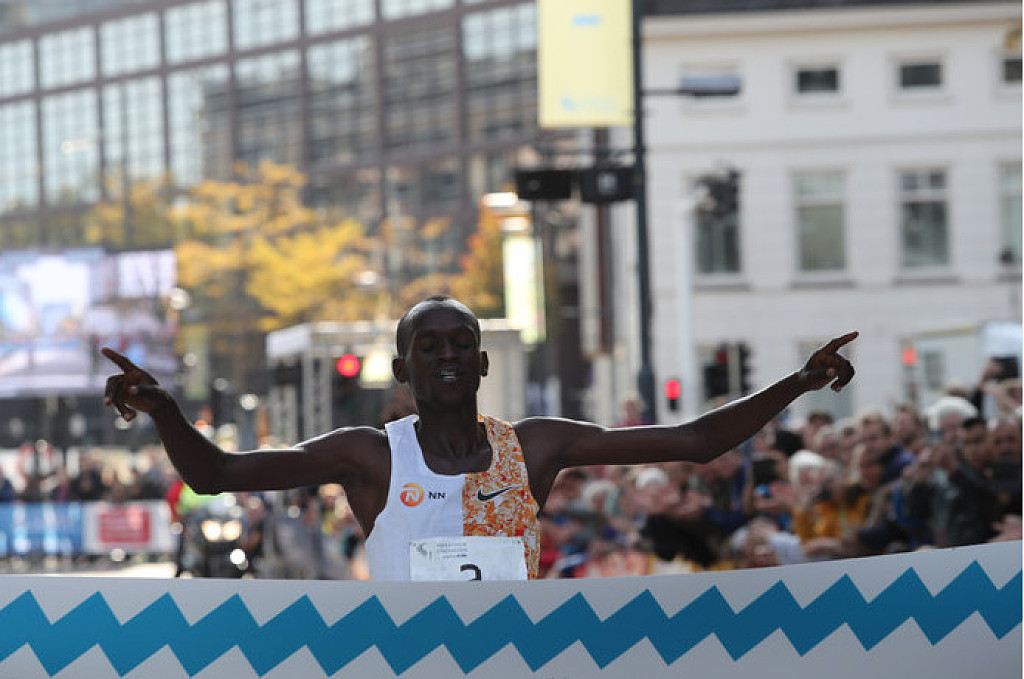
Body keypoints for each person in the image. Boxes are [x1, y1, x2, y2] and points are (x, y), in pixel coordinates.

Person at [103, 295, 857, 582]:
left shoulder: (536, 446)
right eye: (427, 346)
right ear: (402, 369)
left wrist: (798, 381)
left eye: (461, 343)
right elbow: (218, 474)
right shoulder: (370, 454)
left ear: (483, 360)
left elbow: (694, 441)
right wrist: (165, 410)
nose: (447, 356)